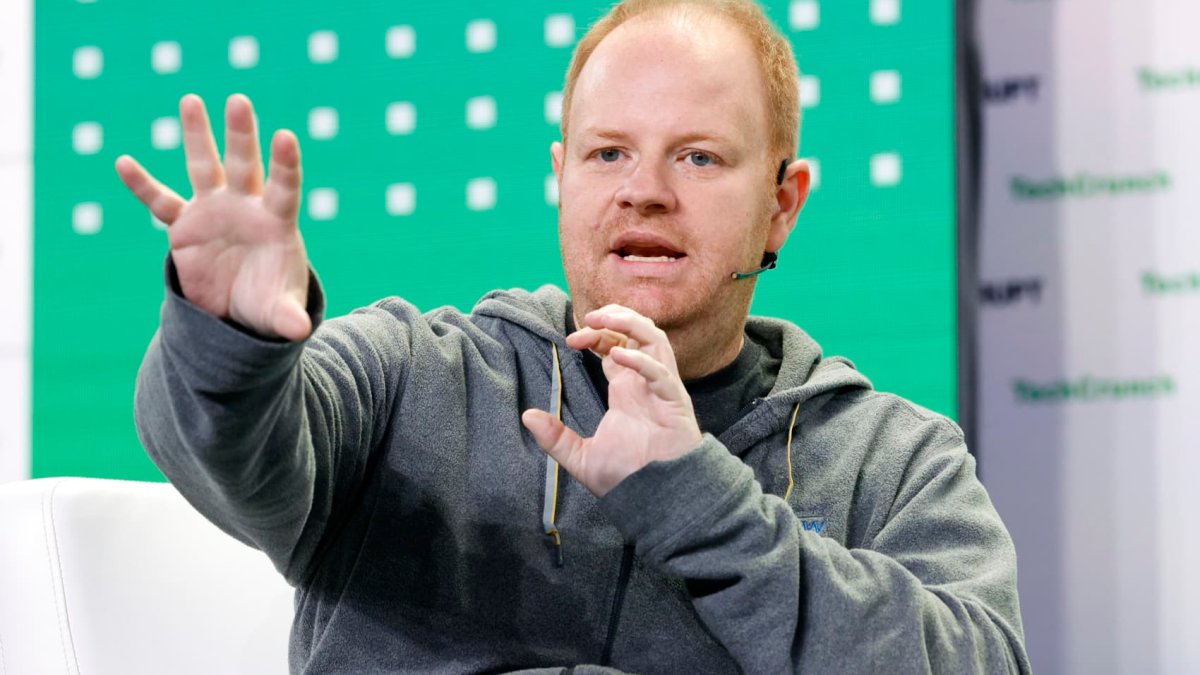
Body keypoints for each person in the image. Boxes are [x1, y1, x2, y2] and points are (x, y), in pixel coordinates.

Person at [119, 0, 1031, 672]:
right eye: (608, 153)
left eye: (699, 156)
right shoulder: (415, 377)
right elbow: (231, 459)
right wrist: (230, 342)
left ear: (781, 204)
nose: (644, 191)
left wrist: (699, 503)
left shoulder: (891, 460)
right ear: (563, 178)